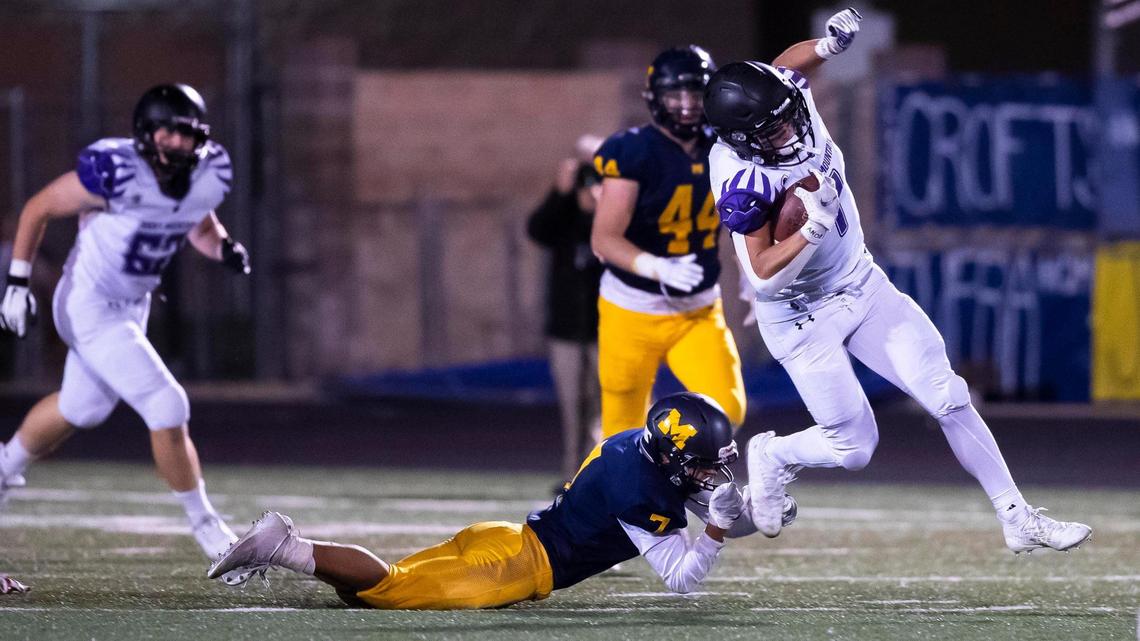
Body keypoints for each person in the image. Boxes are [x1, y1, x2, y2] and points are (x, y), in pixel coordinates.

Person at [703, 13, 1092, 552]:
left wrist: (826, 45)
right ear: (744, 138)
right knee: (855, 447)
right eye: (772, 130)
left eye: (787, 118)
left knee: (948, 396)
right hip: (798, 317)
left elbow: (784, 68)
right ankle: (772, 454)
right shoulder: (741, 177)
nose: (790, 132)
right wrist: (811, 229)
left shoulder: (780, 102)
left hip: (861, 283)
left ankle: (1016, 516)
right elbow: (763, 275)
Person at [207, 393, 794, 609]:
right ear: (669, 454)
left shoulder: (636, 451)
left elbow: (705, 501)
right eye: (700, 461)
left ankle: (282, 546)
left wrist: (755, 512)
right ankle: (283, 546)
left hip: (506, 538)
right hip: (517, 566)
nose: (711, 472)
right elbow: (683, 580)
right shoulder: (639, 488)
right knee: (388, 589)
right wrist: (717, 532)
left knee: (381, 590)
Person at [0, 84, 251, 562]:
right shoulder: (114, 173)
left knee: (83, 408)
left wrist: (223, 248)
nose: (179, 144)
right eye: (169, 132)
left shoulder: (207, 174)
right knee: (166, 403)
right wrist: (16, 283)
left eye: (188, 135)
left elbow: (199, 224)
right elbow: (38, 208)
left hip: (131, 306)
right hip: (88, 303)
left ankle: (4, 465)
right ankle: (210, 532)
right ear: (145, 132)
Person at [588, 18, 853, 440]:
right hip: (630, 308)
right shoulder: (632, 151)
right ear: (654, 98)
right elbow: (603, 239)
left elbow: (744, 213)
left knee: (725, 411)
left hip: (697, 308)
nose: (688, 104)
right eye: (675, 93)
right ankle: (616, 493)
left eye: (695, 92)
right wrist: (657, 267)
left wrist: (752, 276)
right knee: (620, 431)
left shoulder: (730, 145)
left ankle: (666, 468)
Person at [527, 136, 606, 482]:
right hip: (566, 327)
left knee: (603, 407)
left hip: (608, 326)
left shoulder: (617, 207)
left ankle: (597, 474)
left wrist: (606, 200)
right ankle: (572, 476)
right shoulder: (563, 214)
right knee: (573, 408)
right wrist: (560, 192)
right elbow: (538, 230)